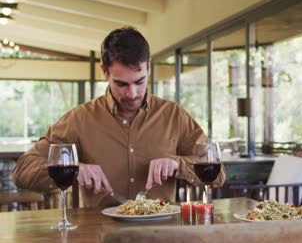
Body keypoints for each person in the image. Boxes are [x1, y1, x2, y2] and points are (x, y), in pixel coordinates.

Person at [12, 27, 225, 208]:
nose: (132, 93)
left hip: (161, 238)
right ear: (105, 72)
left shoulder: (174, 116)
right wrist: (75, 170)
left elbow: (219, 175)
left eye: (139, 81)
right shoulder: (79, 119)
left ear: (149, 67)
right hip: (97, 239)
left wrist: (178, 164)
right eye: (121, 84)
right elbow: (22, 170)